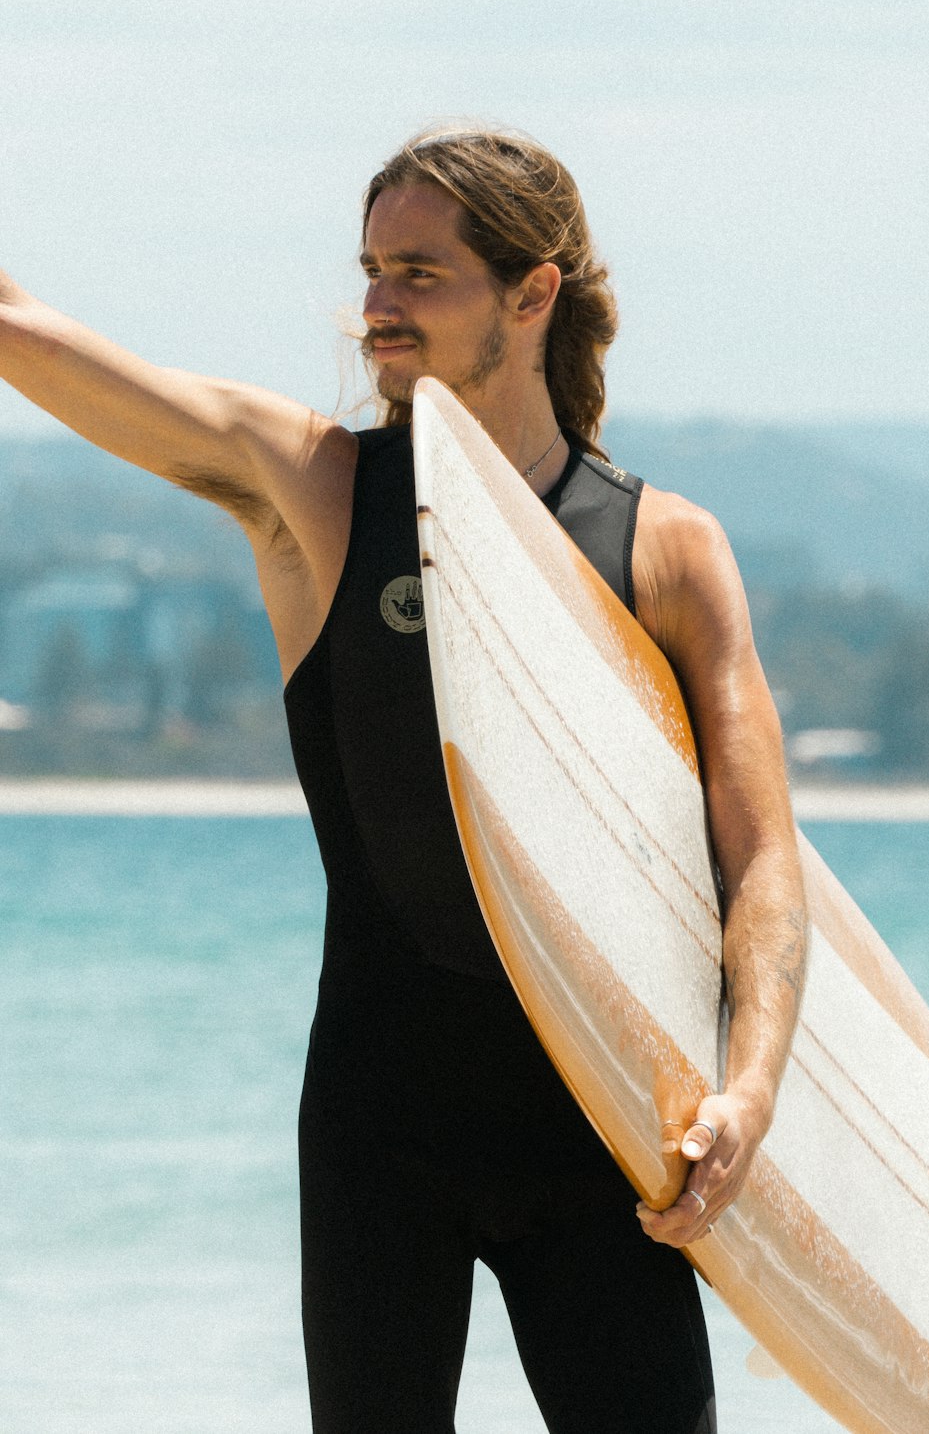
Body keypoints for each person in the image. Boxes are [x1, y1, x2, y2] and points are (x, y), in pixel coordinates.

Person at [1, 125, 807, 1434]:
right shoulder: (319, 496)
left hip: (609, 1136)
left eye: (420, 274)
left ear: (533, 293)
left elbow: (761, 857)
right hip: (383, 1129)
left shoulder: (665, 549)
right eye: (371, 269)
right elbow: (20, 331)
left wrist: (753, 1086)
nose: (376, 305)